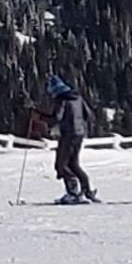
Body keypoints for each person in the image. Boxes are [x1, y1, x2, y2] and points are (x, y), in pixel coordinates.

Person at [46, 75, 96, 204]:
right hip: (79, 134)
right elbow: (89, 114)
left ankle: (73, 193)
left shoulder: (61, 99)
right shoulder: (78, 98)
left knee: (62, 165)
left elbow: (57, 118)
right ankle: (87, 190)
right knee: (74, 164)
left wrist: (40, 117)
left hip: (68, 135)